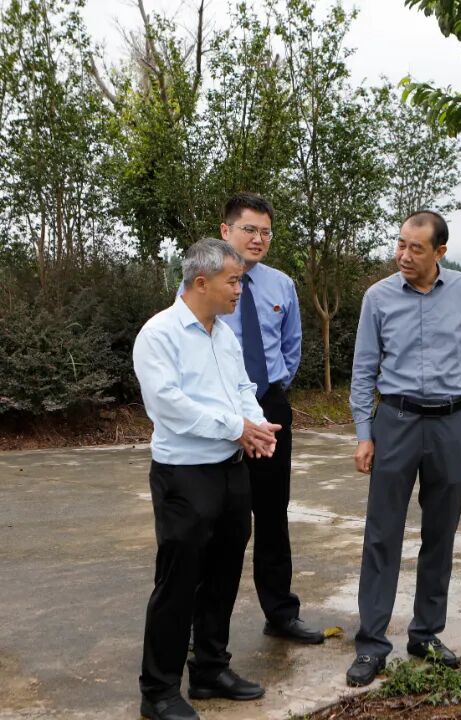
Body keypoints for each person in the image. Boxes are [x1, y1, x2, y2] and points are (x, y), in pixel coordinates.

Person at [133, 239, 281, 720]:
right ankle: (158, 691)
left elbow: (242, 387)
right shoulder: (159, 334)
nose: (240, 289)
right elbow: (169, 405)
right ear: (201, 282)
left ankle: (210, 670)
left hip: (231, 470)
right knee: (178, 582)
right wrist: (237, 427)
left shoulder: (224, 334)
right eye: (233, 281)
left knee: (222, 574)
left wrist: (255, 426)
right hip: (185, 474)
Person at [345, 210, 461, 687]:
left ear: (440, 252)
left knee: (440, 533)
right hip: (396, 421)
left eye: (416, 248)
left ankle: (425, 633)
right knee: (382, 534)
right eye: (400, 244)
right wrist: (364, 433)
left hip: (451, 424)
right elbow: (364, 369)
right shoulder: (378, 297)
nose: (404, 255)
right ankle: (372, 643)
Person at [218, 193, 323, 644]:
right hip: (221, 411)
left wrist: (270, 393)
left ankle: (280, 612)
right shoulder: (203, 281)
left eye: (266, 232)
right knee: (220, 519)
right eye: (249, 229)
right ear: (226, 231)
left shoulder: (282, 285)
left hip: (271, 408)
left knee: (273, 513)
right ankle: (204, 625)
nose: (258, 239)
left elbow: (291, 347)